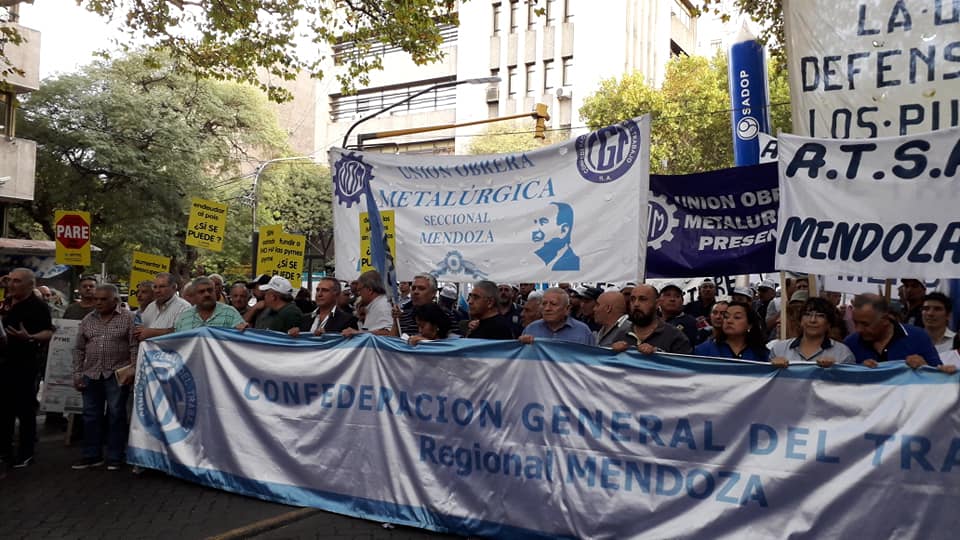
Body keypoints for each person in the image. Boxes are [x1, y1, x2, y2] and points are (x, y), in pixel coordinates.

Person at [71, 284, 137, 470]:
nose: (98, 303)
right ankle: (91, 455)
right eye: (96, 299)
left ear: (115, 300)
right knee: (91, 415)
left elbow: (134, 346)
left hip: (116, 374)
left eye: (103, 299)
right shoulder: (87, 319)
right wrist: (77, 373)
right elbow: (79, 348)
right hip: (91, 374)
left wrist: (132, 369)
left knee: (116, 415)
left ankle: (116, 456)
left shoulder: (129, 318)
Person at [0, 268, 55, 468]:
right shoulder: (5, 303)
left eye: (17, 281)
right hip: (3, 363)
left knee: (24, 409)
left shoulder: (37, 306)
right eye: (10, 280)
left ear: (30, 285)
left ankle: (26, 452)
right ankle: (4, 451)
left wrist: (30, 337)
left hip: (23, 364)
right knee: (3, 410)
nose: (11, 284)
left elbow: (48, 332)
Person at [844, 294, 943, 369]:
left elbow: (939, 377)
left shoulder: (918, 337)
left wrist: (925, 367)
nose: (858, 329)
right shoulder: (850, 343)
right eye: (855, 323)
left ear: (885, 319)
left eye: (865, 324)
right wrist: (859, 372)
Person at [769, 297, 856, 368]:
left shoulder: (843, 354)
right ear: (800, 321)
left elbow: (848, 387)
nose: (812, 320)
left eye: (820, 316)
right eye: (807, 314)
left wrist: (836, 370)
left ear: (829, 323)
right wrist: (772, 368)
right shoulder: (779, 350)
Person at [611, 284, 692, 354]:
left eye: (642, 299)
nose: (636, 304)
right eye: (632, 299)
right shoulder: (620, 335)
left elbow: (686, 368)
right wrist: (612, 352)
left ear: (657, 304)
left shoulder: (675, 337)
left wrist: (659, 356)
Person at [520, 288, 595, 346]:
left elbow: (592, 360)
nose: (547, 308)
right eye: (544, 304)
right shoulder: (531, 329)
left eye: (553, 304)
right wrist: (522, 344)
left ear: (567, 309)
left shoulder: (583, 332)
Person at [695, 302, 769, 360]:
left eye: (737, 317)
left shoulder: (761, 354)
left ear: (749, 325)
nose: (729, 321)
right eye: (726, 317)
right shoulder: (704, 350)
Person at [290, 277, 357, 337]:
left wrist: (327, 338)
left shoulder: (348, 320)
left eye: (325, 290)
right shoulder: (303, 319)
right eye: (317, 290)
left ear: (336, 294)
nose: (319, 294)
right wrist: (292, 334)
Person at [174, 277, 246, 331]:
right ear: (194, 296)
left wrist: (242, 329)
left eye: (210, 290)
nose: (207, 294)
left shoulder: (230, 313)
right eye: (201, 292)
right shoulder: (184, 318)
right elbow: (178, 342)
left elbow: (240, 339)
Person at [135, 272, 191, 341]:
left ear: (173, 287)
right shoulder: (151, 307)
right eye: (155, 287)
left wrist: (152, 333)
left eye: (162, 287)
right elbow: (142, 331)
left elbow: (184, 333)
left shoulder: (184, 307)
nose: (157, 291)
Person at [342, 270, 394, 336]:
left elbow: (389, 333)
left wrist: (358, 333)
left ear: (370, 290)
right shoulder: (375, 304)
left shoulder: (383, 306)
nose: (358, 293)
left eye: (359, 290)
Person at [531, 202, 579, 271]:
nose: (535, 228)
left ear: (564, 230)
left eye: (543, 222)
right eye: (535, 222)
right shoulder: (529, 260)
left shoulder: (573, 264)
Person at [658, 283, 698, 347]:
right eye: (667, 295)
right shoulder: (651, 321)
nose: (672, 299)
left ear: (682, 301)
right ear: (658, 301)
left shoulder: (690, 322)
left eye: (677, 296)